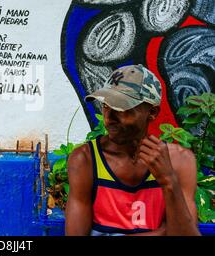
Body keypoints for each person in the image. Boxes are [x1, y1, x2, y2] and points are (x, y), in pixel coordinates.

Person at [65, 64, 201, 236]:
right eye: (106, 105)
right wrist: (160, 233)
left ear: (152, 112)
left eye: (121, 107)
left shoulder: (180, 161)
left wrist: (168, 180)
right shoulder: (85, 160)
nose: (109, 118)